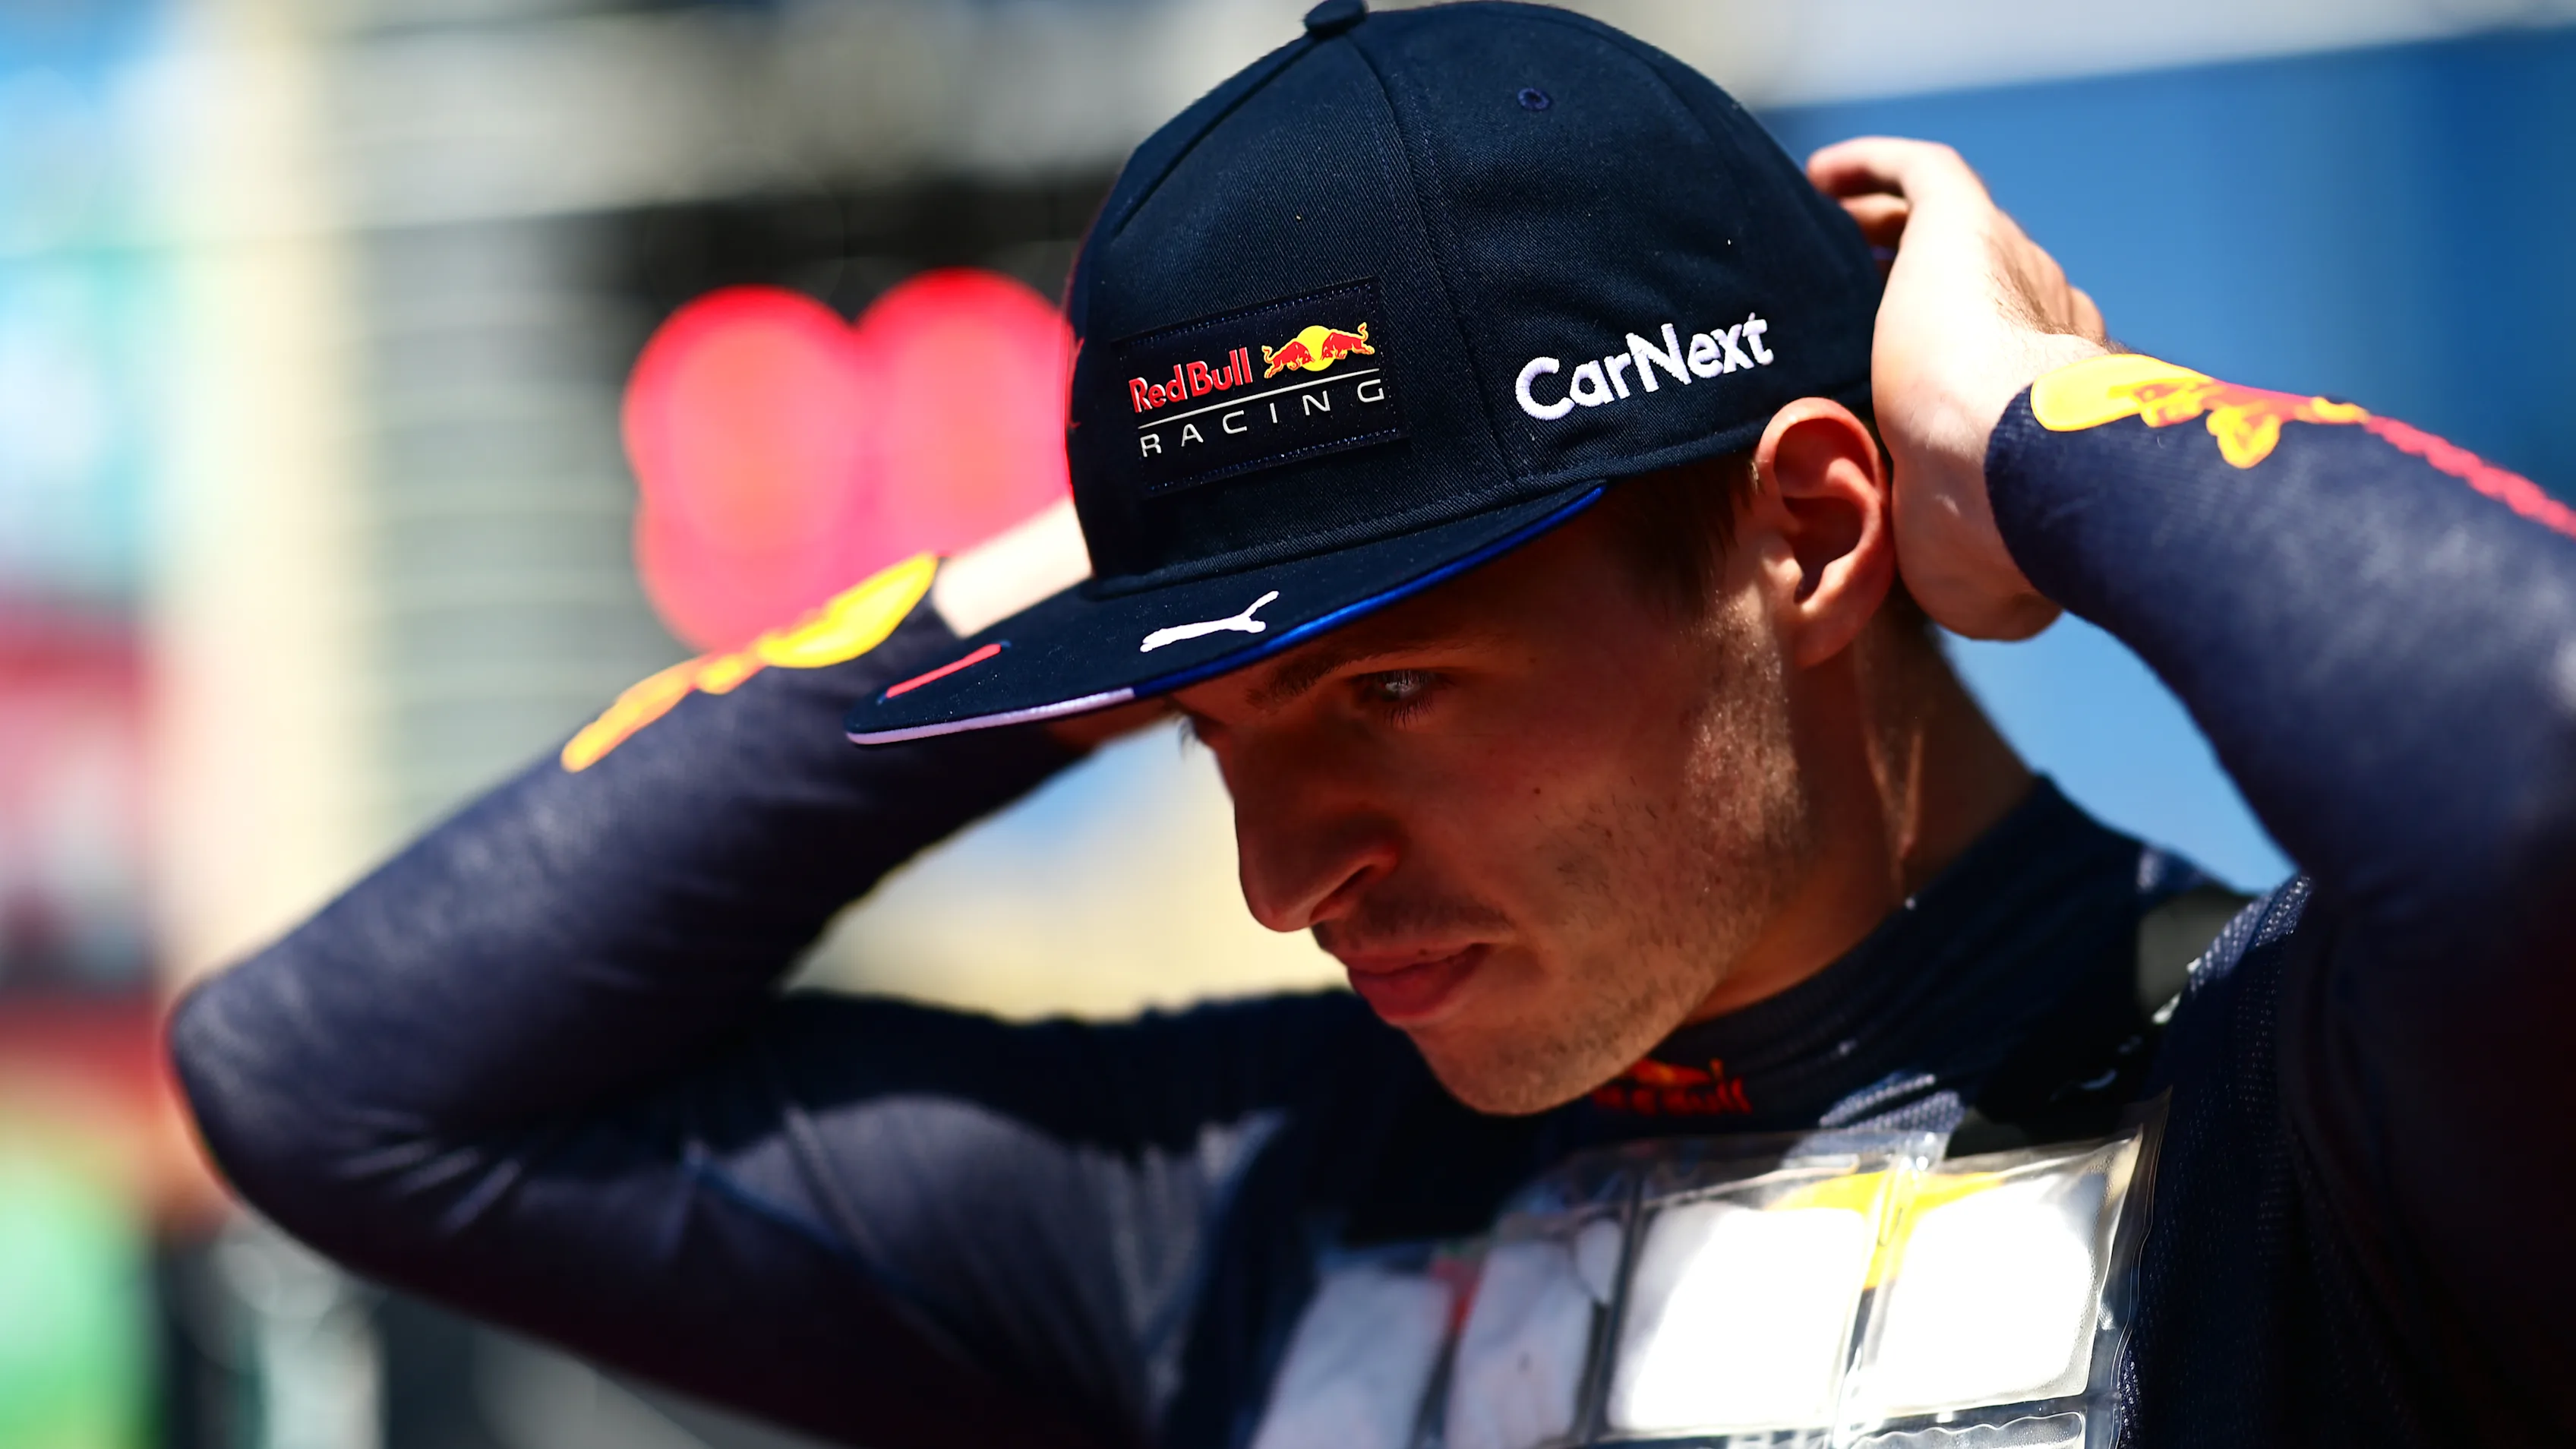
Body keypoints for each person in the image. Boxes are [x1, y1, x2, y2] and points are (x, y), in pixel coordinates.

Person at [170, 3, 2576, 1446]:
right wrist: (1105, 565)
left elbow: (2533, 779)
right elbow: (336, 1078)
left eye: (1395, 687)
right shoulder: (1240, 1205)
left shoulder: (2334, 1120)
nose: (1287, 868)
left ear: (1822, 537)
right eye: (1220, 723)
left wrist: (2036, 417)